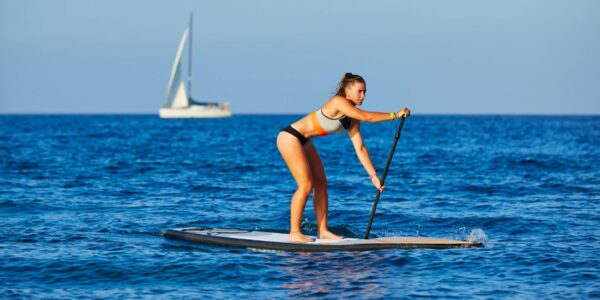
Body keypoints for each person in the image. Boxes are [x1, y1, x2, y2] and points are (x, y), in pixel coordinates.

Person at [276, 72, 411, 243]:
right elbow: (367, 116)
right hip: (290, 137)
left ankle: (323, 230)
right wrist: (394, 115)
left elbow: (360, 148)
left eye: (365, 92)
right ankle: (294, 232)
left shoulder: (352, 120)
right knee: (306, 184)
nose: (363, 96)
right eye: (359, 91)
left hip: (304, 140)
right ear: (347, 92)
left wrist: (374, 177)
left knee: (322, 183)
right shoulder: (338, 102)